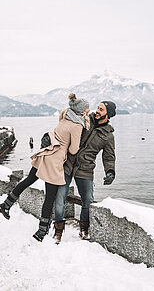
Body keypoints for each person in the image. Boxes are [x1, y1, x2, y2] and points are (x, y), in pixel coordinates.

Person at [0, 93, 90, 242]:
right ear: (81, 110)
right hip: (54, 161)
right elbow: (73, 150)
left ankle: (6, 204)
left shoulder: (65, 115)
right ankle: (41, 232)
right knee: (50, 198)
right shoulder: (77, 125)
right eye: (87, 108)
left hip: (45, 153)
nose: (88, 110)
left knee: (28, 180)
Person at [46, 100, 116, 243]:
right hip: (67, 164)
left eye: (101, 110)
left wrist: (110, 171)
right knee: (60, 199)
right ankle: (58, 231)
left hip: (85, 169)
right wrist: (49, 137)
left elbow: (109, 156)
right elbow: (64, 128)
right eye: (98, 108)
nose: (97, 111)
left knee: (88, 201)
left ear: (108, 115)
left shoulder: (108, 135)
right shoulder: (84, 119)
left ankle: (84, 229)